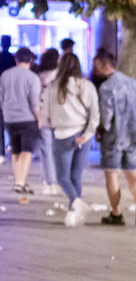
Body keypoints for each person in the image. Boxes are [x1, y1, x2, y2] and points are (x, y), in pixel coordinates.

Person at [92, 49, 136, 228]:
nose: (94, 70)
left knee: (112, 174)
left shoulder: (106, 87)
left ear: (103, 66)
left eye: (96, 66)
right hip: (134, 137)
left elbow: (106, 115)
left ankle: (116, 213)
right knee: (132, 173)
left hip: (114, 137)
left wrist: (101, 129)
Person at [40, 53, 98, 227]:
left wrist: (49, 124)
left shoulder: (53, 87)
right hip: (82, 135)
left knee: (62, 177)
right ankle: (75, 211)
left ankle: (76, 203)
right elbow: (95, 114)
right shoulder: (87, 86)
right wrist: (87, 135)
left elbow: (45, 114)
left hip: (62, 135)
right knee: (75, 175)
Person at [1, 47, 42, 199]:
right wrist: (39, 119)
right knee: (27, 151)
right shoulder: (32, 78)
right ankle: (21, 182)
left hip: (10, 118)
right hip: (27, 118)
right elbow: (34, 103)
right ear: (30, 61)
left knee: (15, 150)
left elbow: (1, 97)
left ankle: (18, 181)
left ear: (16, 59)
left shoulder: (5, 75)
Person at [34, 48, 60, 196]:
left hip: (44, 115)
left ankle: (49, 180)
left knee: (46, 150)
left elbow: (37, 98)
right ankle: (55, 179)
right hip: (59, 116)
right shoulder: (60, 76)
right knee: (57, 149)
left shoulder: (39, 76)